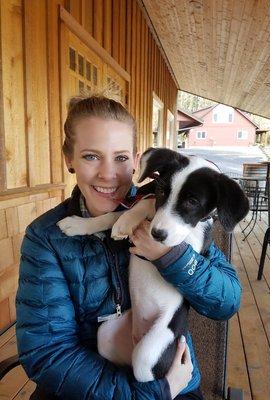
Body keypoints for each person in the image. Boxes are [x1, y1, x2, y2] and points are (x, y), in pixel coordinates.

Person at [16, 95, 242, 400]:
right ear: (69, 159)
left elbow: (227, 301)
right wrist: (149, 394)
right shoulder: (45, 237)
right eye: (91, 156)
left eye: (120, 158)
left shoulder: (165, 210)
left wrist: (171, 257)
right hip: (88, 387)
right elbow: (47, 353)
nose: (108, 174)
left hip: (172, 373)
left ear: (137, 161)